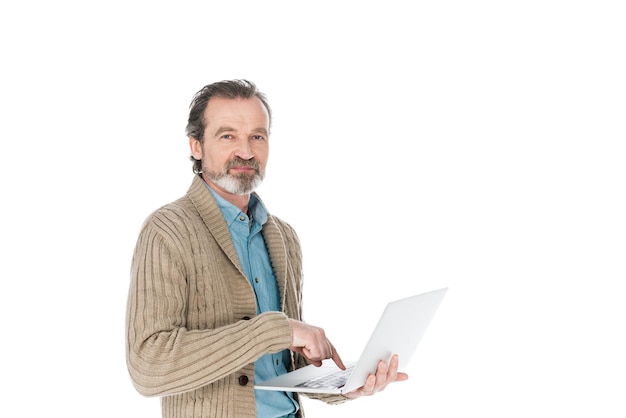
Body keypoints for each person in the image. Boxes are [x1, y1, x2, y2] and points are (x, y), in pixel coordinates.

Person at [125, 79, 408, 418]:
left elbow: (285, 363)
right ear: (196, 145)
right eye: (228, 136)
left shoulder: (283, 237)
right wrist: (279, 329)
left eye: (257, 136)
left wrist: (349, 384)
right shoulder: (168, 230)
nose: (246, 152)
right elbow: (148, 364)